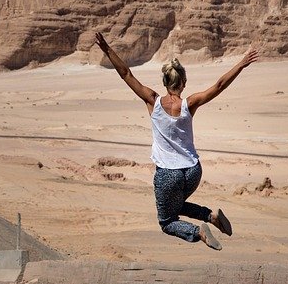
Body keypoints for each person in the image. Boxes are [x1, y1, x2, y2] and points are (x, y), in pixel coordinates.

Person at [94, 33, 259, 250]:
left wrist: (107, 50)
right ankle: (211, 216)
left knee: (167, 221)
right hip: (192, 171)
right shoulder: (189, 104)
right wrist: (241, 64)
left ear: (164, 82)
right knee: (177, 204)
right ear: (184, 83)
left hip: (167, 174)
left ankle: (197, 231)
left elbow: (126, 73)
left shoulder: (152, 100)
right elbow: (219, 85)